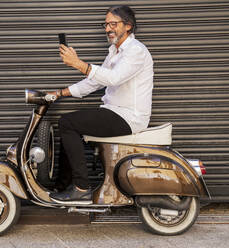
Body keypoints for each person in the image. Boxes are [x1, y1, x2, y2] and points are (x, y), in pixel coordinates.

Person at [49, 5, 154, 203]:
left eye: (113, 24)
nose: (107, 29)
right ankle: (61, 186)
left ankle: (81, 188)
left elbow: (114, 78)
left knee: (67, 123)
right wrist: (59, 93)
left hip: (128, 116)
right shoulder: (115, 52)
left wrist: (79, 64)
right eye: (106, 24)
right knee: (69, 124)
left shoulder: (136, 51)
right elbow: (95, 82)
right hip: (114, 112)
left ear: (128, 26)